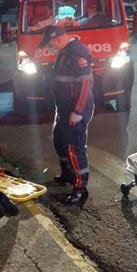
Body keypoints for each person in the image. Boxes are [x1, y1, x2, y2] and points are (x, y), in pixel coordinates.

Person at [40, 25, 94, 205]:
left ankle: (80, 187)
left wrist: (77, 112)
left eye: (50, 44)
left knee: (74, 147)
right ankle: (67, 173)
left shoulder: (76, 52)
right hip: (63, 108)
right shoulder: (64, 51)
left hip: (74, 109)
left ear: (58, 39)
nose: (49, 48)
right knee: (59, 141)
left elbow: (86, 83)